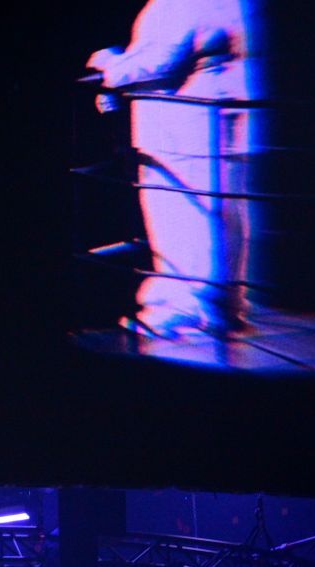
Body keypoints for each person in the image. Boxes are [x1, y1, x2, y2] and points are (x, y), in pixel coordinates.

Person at [87, 0, 267, 337]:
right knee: (216, 221)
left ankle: (186, 311)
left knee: (184, 223)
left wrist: (109, 65)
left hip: (184, 131)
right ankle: (219, 309)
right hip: (211, 127)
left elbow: (161, 60)